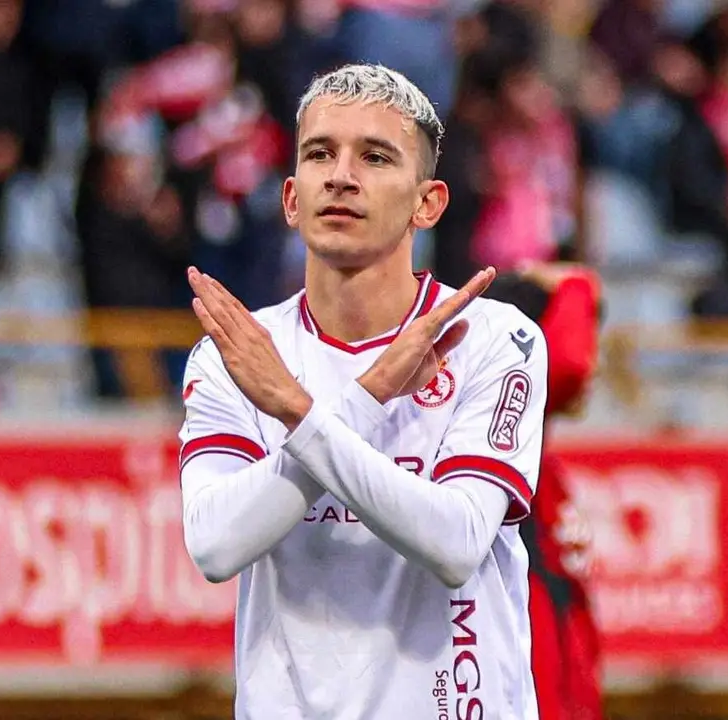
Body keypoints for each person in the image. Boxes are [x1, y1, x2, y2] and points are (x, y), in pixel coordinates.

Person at [177, 64, 549, 719]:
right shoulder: (239, 354)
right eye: (320, 153)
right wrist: (367, 394)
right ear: (291, 198)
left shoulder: (492, 337)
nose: (340, 175)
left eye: (375, 157)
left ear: (426, 202)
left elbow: (457, 543)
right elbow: (216, 546)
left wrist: (296, 410)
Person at [484, 263, 605, 720]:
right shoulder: (509, 443)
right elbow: (570, 365)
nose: (595, 362)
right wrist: (575, 283)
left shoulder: (545, 463)